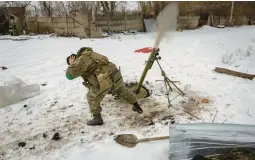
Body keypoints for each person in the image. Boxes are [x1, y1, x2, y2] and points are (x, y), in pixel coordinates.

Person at [65, 47, 143, 126]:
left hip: (104, 78)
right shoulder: (89, 54)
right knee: (121, 89)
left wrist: (71, 65)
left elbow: (69, 76)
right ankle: (136, 106)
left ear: (74, 58)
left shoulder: (79, 61)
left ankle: (97, 118)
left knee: (91, 97)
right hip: (114, 72)